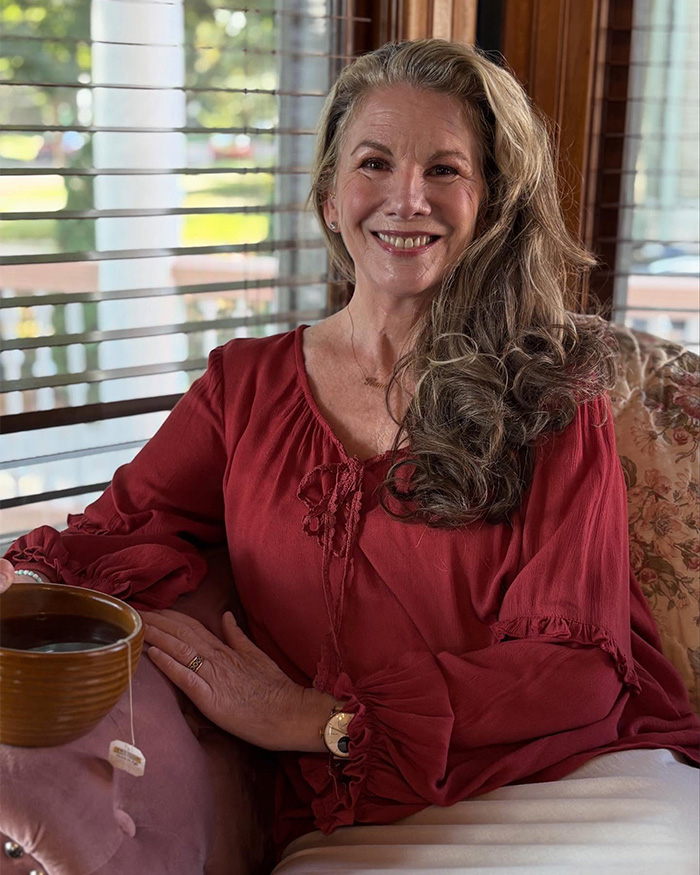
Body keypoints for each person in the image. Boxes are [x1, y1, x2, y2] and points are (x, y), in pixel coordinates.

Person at [2, 39, 698, 871]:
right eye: (376, 162)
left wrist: (318, 717)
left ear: (491, 205)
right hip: (356, 810)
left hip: (580, 778)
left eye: (446, 170)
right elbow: (104, 543)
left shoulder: (553, 397)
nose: (409, 199)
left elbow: (577, 674)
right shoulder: (242, 388)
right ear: (331, 197)